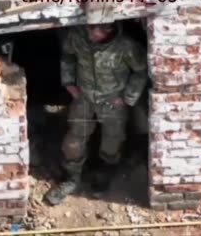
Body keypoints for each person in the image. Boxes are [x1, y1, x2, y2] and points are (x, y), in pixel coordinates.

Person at [45, 21, 148, 205]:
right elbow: (68, 56)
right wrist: (69, 83)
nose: (91, 35)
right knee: (74, 140)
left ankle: (103, 175)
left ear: (109, 31)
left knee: (113, 139)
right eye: (89, 29)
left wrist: (127, 97)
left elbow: (140, 71)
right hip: (84, 97)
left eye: (96, 32)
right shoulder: (78, 38)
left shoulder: (125, 47)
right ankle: (71, 179)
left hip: (113, 100)